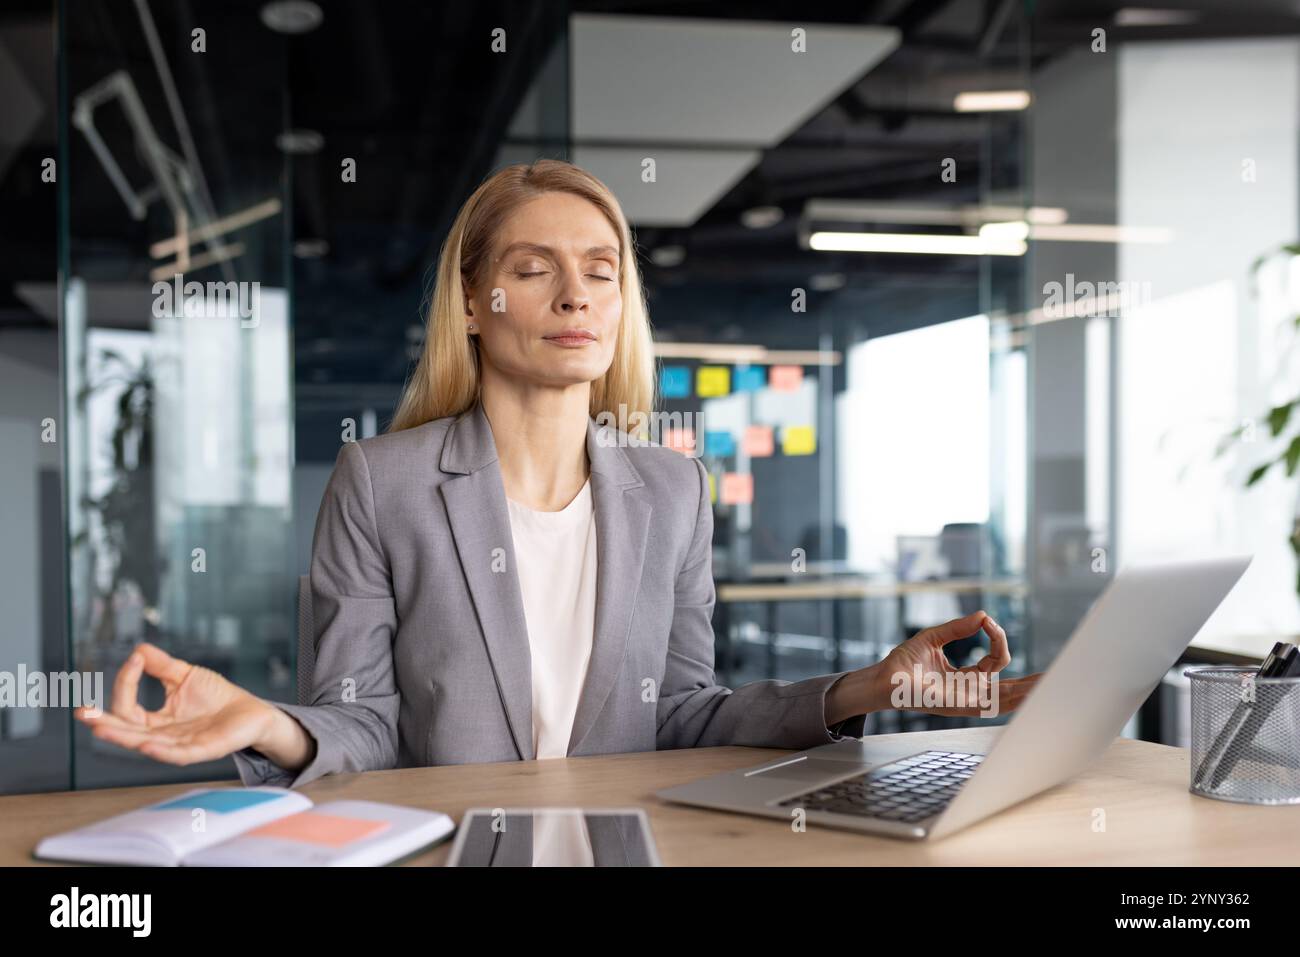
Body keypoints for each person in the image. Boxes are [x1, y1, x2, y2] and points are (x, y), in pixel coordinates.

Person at [75, 159, 1039, 789]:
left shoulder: (672, 490)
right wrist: (269, 725)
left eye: (601, 268)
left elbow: (685, 715)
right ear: (473, 302)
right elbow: (361, 726)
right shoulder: (381, 481)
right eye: (533, 268)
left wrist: (866, 687)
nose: (575, 292)